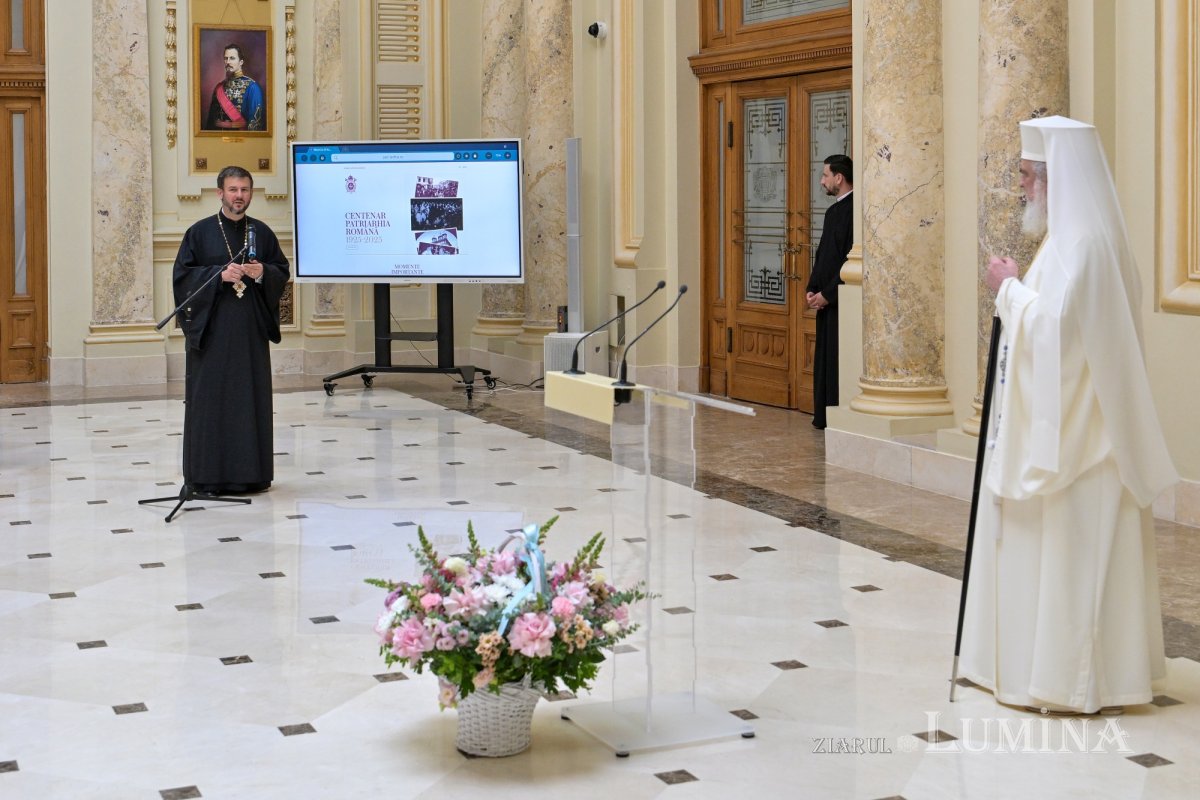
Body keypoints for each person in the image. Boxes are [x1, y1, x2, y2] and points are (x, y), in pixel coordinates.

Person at [959, 116, 1177, 714]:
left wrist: (1008, 289)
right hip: (1069, 435)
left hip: (1084, 446)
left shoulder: (1085, 245)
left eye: (1028, 175)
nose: (1021, 186)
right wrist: (1017, 290)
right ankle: (1042, 673)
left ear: (1057, 178)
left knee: (1074, 565)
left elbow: (1060, 336)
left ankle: (1070, 682)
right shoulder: (1066, 241)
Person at [173, 166, 290, 494]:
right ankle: (207, 476)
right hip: (212, 333)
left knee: (248, 402)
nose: (239, 196)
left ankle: (251, 475)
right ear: (220, 193)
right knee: (211, 403)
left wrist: (262, 272)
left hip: (249, 334)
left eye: (245, 190)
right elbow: (182, 278)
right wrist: (218, 276)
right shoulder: (199, 233)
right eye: (233, 190)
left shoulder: (262, 233)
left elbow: (281, 271)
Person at [805, 154, 854, 429]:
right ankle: (822, 415)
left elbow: (850, 260)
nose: (822, 181)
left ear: (839, 177)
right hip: (825, 299)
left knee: (836, 361)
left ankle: (834, 418)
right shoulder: (832, 212)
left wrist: (829, 294)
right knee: (824, 360)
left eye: (825, 175)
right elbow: (823, 254)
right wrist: (813, 288)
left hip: (840, 300)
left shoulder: (854, 211)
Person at [203, 44, 265, 131]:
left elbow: (255, 125)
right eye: (226, 58)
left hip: (241, 136)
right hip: (218, 137)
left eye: (232, 58)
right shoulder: (219, 88)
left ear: (241, 62)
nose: (228, 62)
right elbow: (210, 123)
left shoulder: (252, 88)